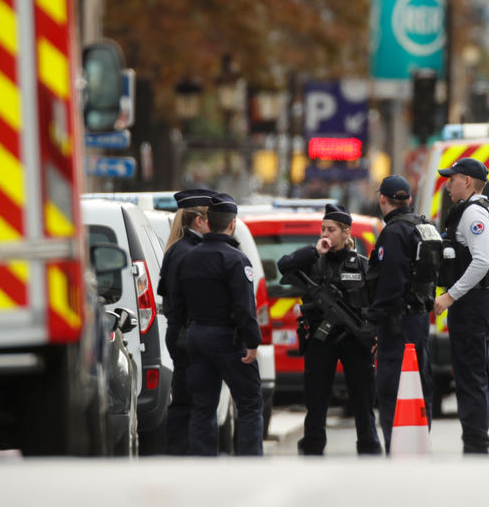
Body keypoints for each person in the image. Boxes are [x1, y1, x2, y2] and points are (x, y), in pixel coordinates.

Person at [277, 204, 382, 456]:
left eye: (331, 230)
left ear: (347, 233)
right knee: (316, 395)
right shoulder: (313, 261)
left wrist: (374, 331)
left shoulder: (361, 265)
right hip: (320, 337)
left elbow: (377, 301)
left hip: (355, 339)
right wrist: (315, 250)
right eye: (323, 229)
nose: (325, 234)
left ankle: (368, 444)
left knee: (363, 396)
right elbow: (284, 265)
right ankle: (313, 444)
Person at [170, 193, 264, 456]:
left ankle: (203, 464)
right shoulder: (235, 259)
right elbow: (244, 308)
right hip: (228, 339)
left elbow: (178, 303)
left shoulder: (188, 257)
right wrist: (253, 342)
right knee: (249, 403)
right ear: (231, 224)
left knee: (202, 406)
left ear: (208, 222)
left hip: (196, 336)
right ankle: (249, 460)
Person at [433, 157, 489, 455]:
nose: (448, 184)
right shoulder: (486, 208)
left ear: (467, 181)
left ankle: (476, 446)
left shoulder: (472, 212)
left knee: (470, 377)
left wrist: (451, 295)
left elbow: (483, 260)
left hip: (471, 302)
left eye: (452, 178)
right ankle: (476, 442)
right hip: (480, 300)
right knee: (475, 375)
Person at [367, 175, 437, 453]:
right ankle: (420, 441)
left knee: (391, 387)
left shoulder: (393, 232)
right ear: (408, 199)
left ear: (382, 199)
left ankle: (396, 447)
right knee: (420, 384)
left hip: (396, 322)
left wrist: (372, 320)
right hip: (419, 318)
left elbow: (390, 282)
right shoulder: (425, 226)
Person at [157, 188, 214, 455]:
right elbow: (181, 298)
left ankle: (180, 451)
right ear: (199, 221)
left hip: (180, 330)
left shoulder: (179, 248)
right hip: (185, 331)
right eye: (210, 217)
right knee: (187, 398)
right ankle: (181, 453)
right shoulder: (188, 251)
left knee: (186, 395)